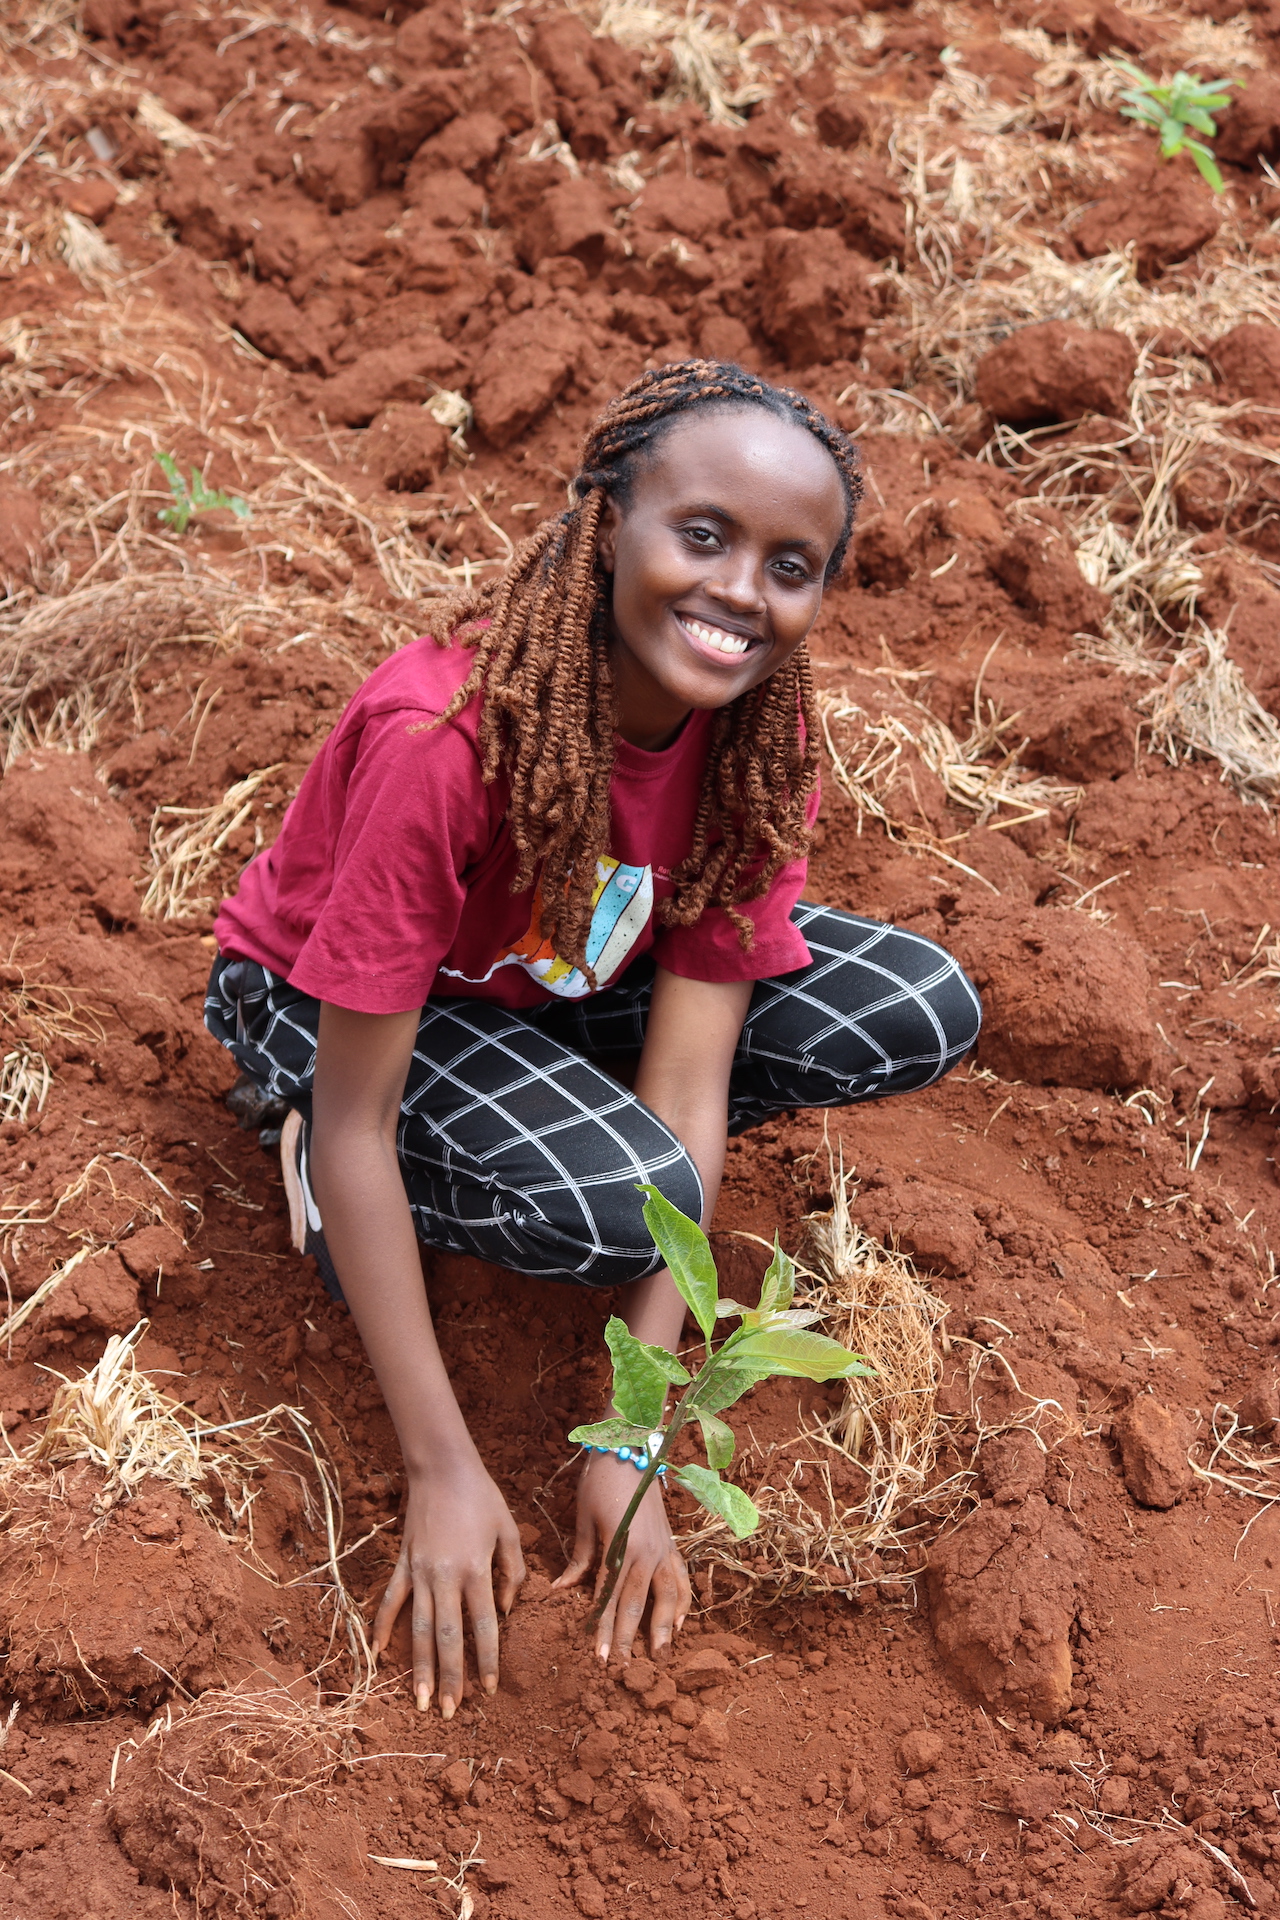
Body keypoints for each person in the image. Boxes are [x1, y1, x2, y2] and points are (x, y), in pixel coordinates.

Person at [204, 358, 981, 1721]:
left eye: (789, 566)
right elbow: (363, 1118)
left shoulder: (757, 733)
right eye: (703, 535)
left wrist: (633, 1438)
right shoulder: (445, 739)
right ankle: (304, 1150)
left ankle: (538, 1110)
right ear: (608, 518)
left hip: (550, 975)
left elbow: (689, 1080)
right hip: (330, 1017)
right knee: (616, 1202)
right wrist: (444, 1468)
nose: (740, 592)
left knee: (912, 1004)